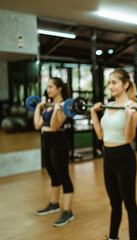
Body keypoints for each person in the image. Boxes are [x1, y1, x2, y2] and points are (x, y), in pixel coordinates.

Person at [91, 68, 137, 240]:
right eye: (109, 83)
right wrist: (93, 114)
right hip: (108, 158)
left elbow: (128, 138)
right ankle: (113, 237)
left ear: (125, 84)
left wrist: (128, 117)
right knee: (114, 204)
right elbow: (100, 135)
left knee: (129, 204)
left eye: (114, 82)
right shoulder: (108, 105)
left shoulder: (133, 107)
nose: (110, 86)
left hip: (124, 158)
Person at [34, 77, 75, 227]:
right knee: (52, 172)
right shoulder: (49, 105)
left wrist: (57, 110)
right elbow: (38, 125)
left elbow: (55, 126)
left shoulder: (66, 105)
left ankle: (68, 211)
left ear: (59, 88)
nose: (48, 90)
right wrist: (38, 108)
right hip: (46, 140)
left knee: (63, 174)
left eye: (51, 87)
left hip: (58, 141)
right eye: (47, 87)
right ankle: (54, 203)